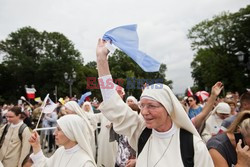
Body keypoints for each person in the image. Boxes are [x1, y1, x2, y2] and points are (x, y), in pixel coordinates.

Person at [95, 39, 214, 167]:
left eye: (151, 106)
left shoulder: (193, 146)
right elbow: (113, 104)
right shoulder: (142, 132)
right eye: (142, 105)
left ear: (168, 108)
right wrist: (102, 59)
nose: (145, 112)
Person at [29, 114, 97, 167]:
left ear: (71, 132)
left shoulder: (85, 163)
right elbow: (45, 165)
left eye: (59, 129)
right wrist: (36, 146)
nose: (54, 133)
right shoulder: (60, 151)